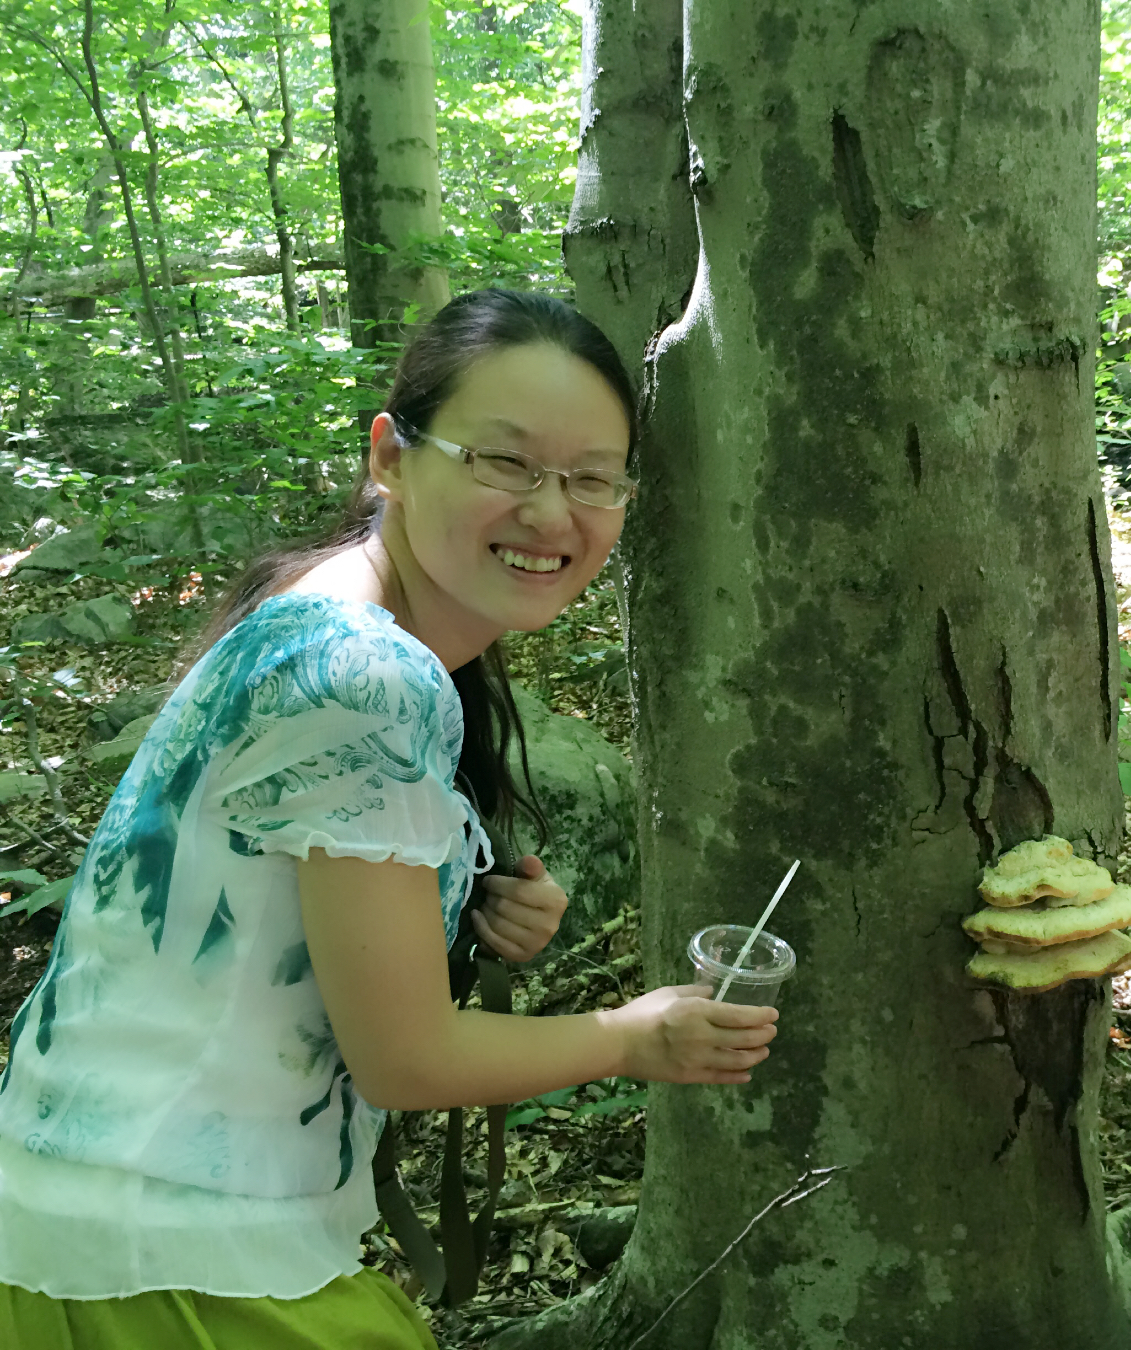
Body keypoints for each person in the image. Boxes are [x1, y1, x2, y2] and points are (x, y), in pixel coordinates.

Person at [0, 289, 779, 1349]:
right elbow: (404, 1060)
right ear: (392, 457)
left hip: (97, 1206)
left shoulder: (325, 612)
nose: (554, 514)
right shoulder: (364, 674)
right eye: (503, 462)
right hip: (162, 1254)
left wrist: (460, 901)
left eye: (592, 479)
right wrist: (632, 1038)